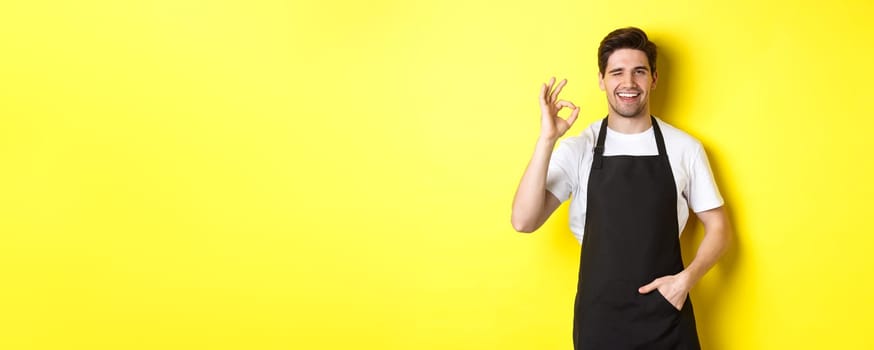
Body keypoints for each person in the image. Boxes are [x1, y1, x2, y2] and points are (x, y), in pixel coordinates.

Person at [510, 27, 730, 349]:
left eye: (639, 72)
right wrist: (547, 139)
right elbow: (524, 221)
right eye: (617, 73)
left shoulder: (684, 148)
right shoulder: (579, 148)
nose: (628, 83)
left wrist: (686, 281)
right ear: (601, 79)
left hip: (667, 317)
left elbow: (720, 227)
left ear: (654, 78)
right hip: (599, 323)